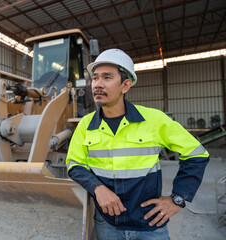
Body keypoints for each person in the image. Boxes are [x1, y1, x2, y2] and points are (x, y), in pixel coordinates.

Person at [66, 49, 209, 239]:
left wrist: (178, 199)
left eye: (107, 78)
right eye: (95, 78)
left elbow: (197, 154)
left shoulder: (153, 119)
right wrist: (97, 188)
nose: (97, 85)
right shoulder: (86, 124)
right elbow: (74, 164)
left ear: (125, 85)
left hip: (150, 226)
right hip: (107, 225)